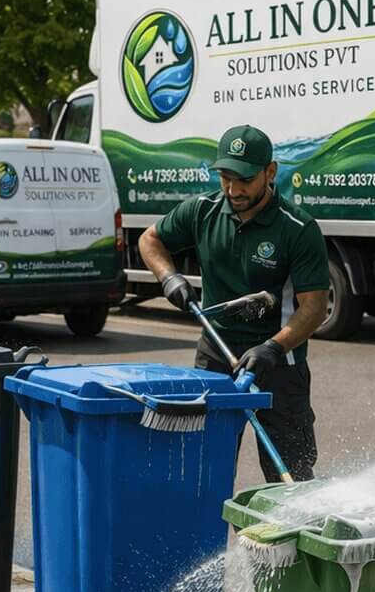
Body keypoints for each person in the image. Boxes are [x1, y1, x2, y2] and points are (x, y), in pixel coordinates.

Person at [138, 125, 329, 482]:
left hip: (278, 364)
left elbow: (314, 307)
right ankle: (209, 538)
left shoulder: (298, 229)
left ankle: (287, 536)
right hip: (215, 353)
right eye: (226, 177)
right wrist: (169, 278)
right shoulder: (202, 211)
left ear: (270, 172)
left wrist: (274, 346)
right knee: (203, 469)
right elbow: (150, 240)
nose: (233, 189)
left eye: (244, 179)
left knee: (290, 474)